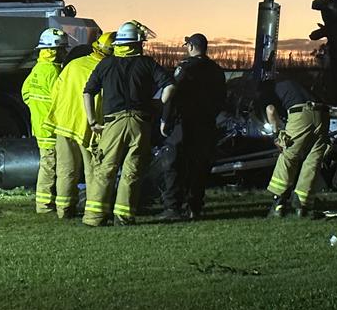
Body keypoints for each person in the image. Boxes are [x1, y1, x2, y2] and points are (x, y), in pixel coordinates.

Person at [82, 20, 175, 226]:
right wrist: (158, 104)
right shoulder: (148, 63)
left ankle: (94, 217)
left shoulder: (105, 64)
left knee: (105, 168)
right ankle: (123, 217)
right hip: (140, 123)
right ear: (137, 43)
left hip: (113, 123)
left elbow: (88, 92)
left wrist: (92, 121)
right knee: (132, 170)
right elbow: (169, 87)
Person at [42, 31, 116, 219]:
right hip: (88, 127)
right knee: (92, 170)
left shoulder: (73, 64)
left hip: (63, 123)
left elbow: (55, 92)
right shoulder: (107, 69)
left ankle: (64, 210)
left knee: (65, 169)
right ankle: (93, 211)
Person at [158, 33, 226, 220]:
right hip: (206, 124)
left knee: (174, 164)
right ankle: (194, 206)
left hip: (184, 124)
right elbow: (222, 99)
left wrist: (165, 119)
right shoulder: (217, 70)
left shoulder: (185, 68)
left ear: (191, 47)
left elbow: (172, 94)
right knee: (199, 166)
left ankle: (172, 207)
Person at [256, 78, 330, 218]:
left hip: (301, 115)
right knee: (312, 161)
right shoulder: (291, 85)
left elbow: (271, 110)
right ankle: (303, 207)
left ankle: (278, 203)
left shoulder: (267, 91)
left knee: (288, 157)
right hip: (323, 114)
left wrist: (277, 135)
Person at [21, 28, 67, 214]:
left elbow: (25, 93)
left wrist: (37, 110)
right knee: (50, 166)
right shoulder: (54, 73)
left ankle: (46, 203)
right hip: (52, 127)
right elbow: (62, 101)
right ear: (54, 50)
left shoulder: (37, 69)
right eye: (63, 48)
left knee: (47, 164)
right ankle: (45, 206)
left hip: (40, 125)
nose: (65, 52)